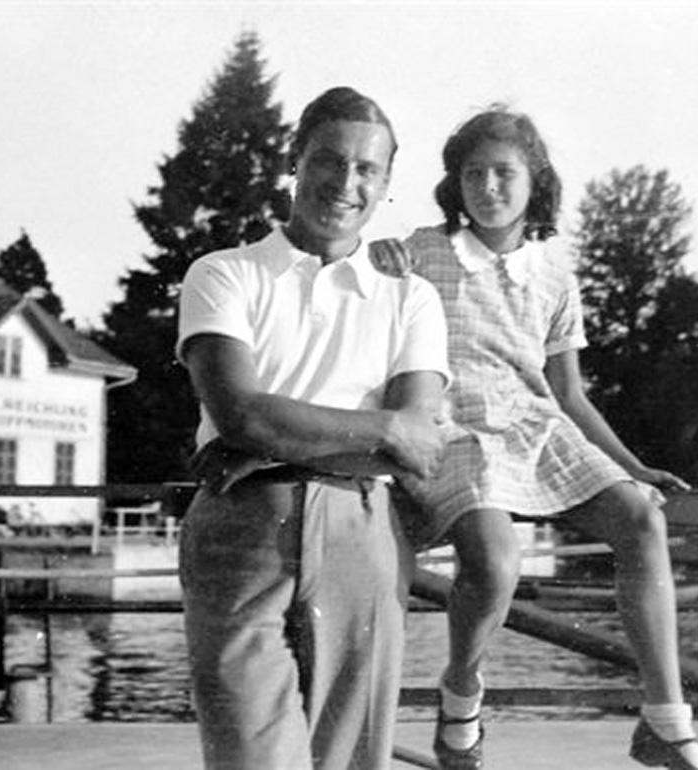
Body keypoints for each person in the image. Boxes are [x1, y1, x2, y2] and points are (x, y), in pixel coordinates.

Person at [380, 107, 698, 770]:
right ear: (455, 184)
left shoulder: (555, 275)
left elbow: (568, 394)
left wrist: (634, 466)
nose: (488, 187)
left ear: (536, 184)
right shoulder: (419, 250)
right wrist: (378, 263)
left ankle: (666, 721)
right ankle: (461, 695)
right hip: (454, 428)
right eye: (473, 173)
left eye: (504, 173)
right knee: (496, 562)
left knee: (640, 517)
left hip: (534, 429)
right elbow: (358, 301)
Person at [175, 86, 452, 770]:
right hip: (243, 532)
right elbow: (240, 410)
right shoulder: (225, 275)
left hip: (363, 533)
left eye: (368, 170)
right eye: (328, 160)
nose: (345, 182)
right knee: (251, 759)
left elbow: (421, 443)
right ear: (294, 162)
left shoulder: (410, 299)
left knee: (349, 760)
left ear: (387, 185)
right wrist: (378, 429)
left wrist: (271, 444)